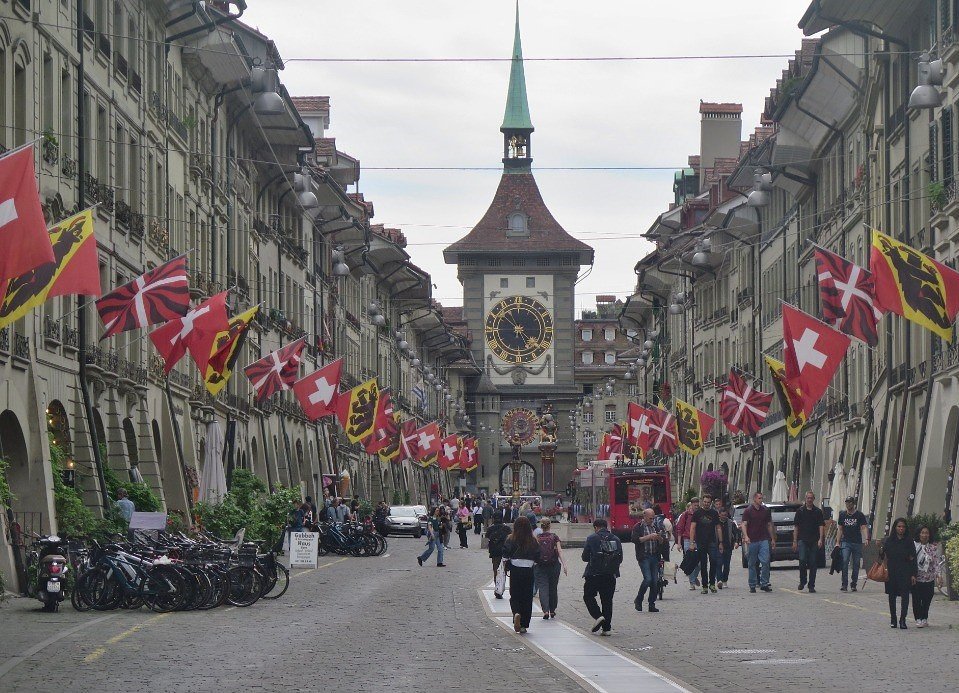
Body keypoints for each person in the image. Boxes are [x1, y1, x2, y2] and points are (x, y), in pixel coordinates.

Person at [581, 518, 623, 636]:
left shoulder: (591, 538)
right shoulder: (616, 539)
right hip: (610, 575)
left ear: (595, 527)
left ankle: (598, 616)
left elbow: (584, 557)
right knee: (607, 601)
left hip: (593, 574)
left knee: (588, 596)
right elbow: (620, 559)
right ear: (607, 526)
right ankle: (607, 628)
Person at [503, 516, 541, 633]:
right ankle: (524, 624)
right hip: (528, 570)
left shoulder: (511, 538)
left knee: (515, 595)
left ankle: (516, 613)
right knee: (527, 596)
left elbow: (505, 554)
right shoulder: (533, 540)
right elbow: (538, 556)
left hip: (515, 569)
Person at [882, 517, 917, 629]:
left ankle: (903, 619)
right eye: (899, 526)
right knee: (891, 596)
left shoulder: (909, 541)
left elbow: (913, 559)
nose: (901, 529)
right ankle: (893, 619)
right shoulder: (889, 540)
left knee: (905, 596)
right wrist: (880, 549)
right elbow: (882, 556)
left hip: (905, 571)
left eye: (903, 527)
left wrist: (913, 574)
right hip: (891, 571)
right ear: (895, 527)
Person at [689, 493, 723, 594]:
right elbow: (693, 528)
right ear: (702, 501)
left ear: (711, 503)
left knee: (713, 562)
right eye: (704, 502)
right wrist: (691, 542)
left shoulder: (714, 513)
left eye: (708, 502)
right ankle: (704, 586)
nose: (706, 504)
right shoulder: (697, 513)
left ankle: (712, 584)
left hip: (712, 541)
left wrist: (721, 542)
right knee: (703, 564)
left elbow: (718, 527)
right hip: (700, 542)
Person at [631, 508, 664, 612]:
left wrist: (659, 538)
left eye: (653, 518)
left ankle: (651, 603)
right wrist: (649, 536)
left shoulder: (655, 526)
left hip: (654, 555)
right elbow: (635, 540)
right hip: (644, 556)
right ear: (644, 517)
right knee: (648, 579)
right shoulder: (638, 527)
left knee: (655, 581)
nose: (652, 520)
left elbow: (662, 541)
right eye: (650, 518)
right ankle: (639, 599)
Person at [741, 491, 775, 593]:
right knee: (752, 563)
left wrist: (772, 538)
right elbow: (744, 524)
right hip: (752, 540)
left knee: (765, 561)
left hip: (763, 539)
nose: (761, 500)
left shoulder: (765, 510)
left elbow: (769, 525)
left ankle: (764, 583)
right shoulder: (748, 511)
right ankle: (752, 584)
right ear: (754, 499)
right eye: (759, 498)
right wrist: (746, 536)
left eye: (762, 498)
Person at [792, 491, 825, 593]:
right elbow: (796, 527)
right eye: (808, 498)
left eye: (811, 498)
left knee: (813, 563)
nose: (809, 500)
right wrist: (795, 541)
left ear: (813, 499)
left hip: (814, 540)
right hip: (802, 540)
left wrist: (820, 539)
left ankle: (811, 585)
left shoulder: (818, 511)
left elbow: (821, 526)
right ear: (805, 499)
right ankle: (803, 581)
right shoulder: (800, 511)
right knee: (802, 560)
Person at [534, 519, 567, 619]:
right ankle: (552, 610)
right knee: (553, 587)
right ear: (550, 526)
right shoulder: (554, 536)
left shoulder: (537, 538)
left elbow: (534, 552)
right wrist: (564, 564)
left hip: (540, 566)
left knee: (543, 588)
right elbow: (560, 551)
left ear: (541, 526)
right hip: (554, 565)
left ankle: (545, 611)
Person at [837, 496, 870, 591]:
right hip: (846, 542)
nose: (848, 504)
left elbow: (863, 527)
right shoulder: (842, 515)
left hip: (857, 542)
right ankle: (844, 584)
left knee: (856, 564)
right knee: (845, 561)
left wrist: (867, 538)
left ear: (853, 503)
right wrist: (837, 542)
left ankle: (854, 583)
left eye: (850, 502)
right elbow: (840, 529)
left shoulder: (859, 515)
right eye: (847, 502)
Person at [912, 525, 942, 628]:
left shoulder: (933, 547)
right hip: (916, 577)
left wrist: (938, 576)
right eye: (922, 533)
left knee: (927, 599)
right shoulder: (913, 545)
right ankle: (918, 618)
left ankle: (924, 617)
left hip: (929, 578)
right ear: (919, 534)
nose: (924, 535)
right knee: (916, 599)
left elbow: (936, 563)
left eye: (927, 533)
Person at [674, 499, 701, 590]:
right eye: (695, 505)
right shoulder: (685, 515)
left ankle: (694, 577)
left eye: (698, 505)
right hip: (687, 540)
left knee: (700, 563)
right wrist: (678, 543)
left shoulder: (701, 514)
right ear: (691, 505)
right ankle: (692, 583)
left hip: (699, 540)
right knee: (691, 561)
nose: (696, 507)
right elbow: (680, 529)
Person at [486, 511, 511, 598]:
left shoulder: (490, 529)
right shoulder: (507, 529)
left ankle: (497, 590)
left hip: (495, 553)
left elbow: (487, 538)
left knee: (496, 571)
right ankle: (501, 589)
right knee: (503, 571)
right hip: (505, 552)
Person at [716, 507, 740, 589]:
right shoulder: (716, 523)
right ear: (719, 515)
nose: (723, 516)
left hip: (728, 546)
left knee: (726, 565)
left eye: (725, 515)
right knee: (718, 563)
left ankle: (725, 580)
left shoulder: (731, 523)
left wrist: (737, 542)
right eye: (722, 515)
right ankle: (719, 580)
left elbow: (736, 533)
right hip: (718, 546)